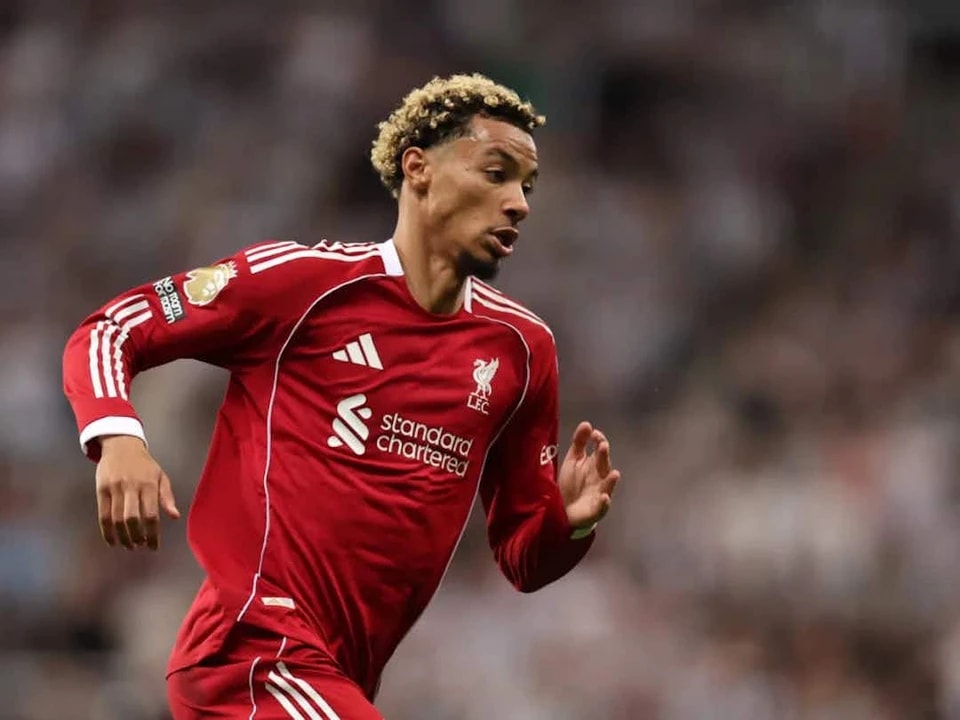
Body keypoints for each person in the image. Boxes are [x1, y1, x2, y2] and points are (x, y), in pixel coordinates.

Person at [62, 73, 621, 719]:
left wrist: (571, 525)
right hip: (252, 653)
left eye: (527, 186)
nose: (518, 203)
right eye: (496, 174)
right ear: (419, 169)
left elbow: (524, 561)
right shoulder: (305, 285)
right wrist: (119, 439)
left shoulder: (521, 349)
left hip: (339, 677)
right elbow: (112, 328)